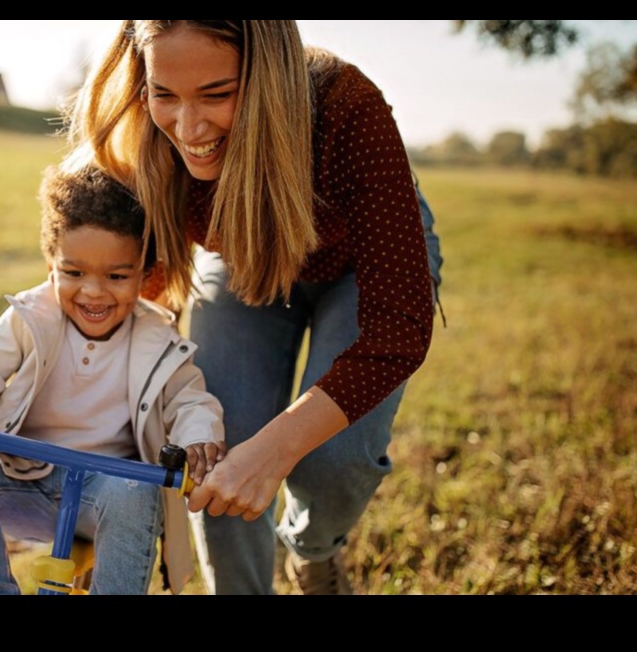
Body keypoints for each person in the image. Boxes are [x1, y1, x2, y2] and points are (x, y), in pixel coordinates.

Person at [62, 20, 444, 595]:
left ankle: (313, 552)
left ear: (271, 76)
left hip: (356, 266)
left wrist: (274, 450)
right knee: (212, 448)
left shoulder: (346, 108)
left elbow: (399, 330)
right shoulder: (141, 141)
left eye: (218, 94)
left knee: (330, 462)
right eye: (165, 94)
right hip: (243, 263)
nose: (187, 129)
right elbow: (124, 293)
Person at [0, 163, 226, 595]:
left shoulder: (157, 340)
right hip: (21, 479)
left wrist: (200, 437)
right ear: (51, 263)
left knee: (136, 490)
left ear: (144, 273)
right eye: (74, 273)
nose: (94, 292)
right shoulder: (31, 318)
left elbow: (190, 402)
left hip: (106, 497)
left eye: (117, 276)